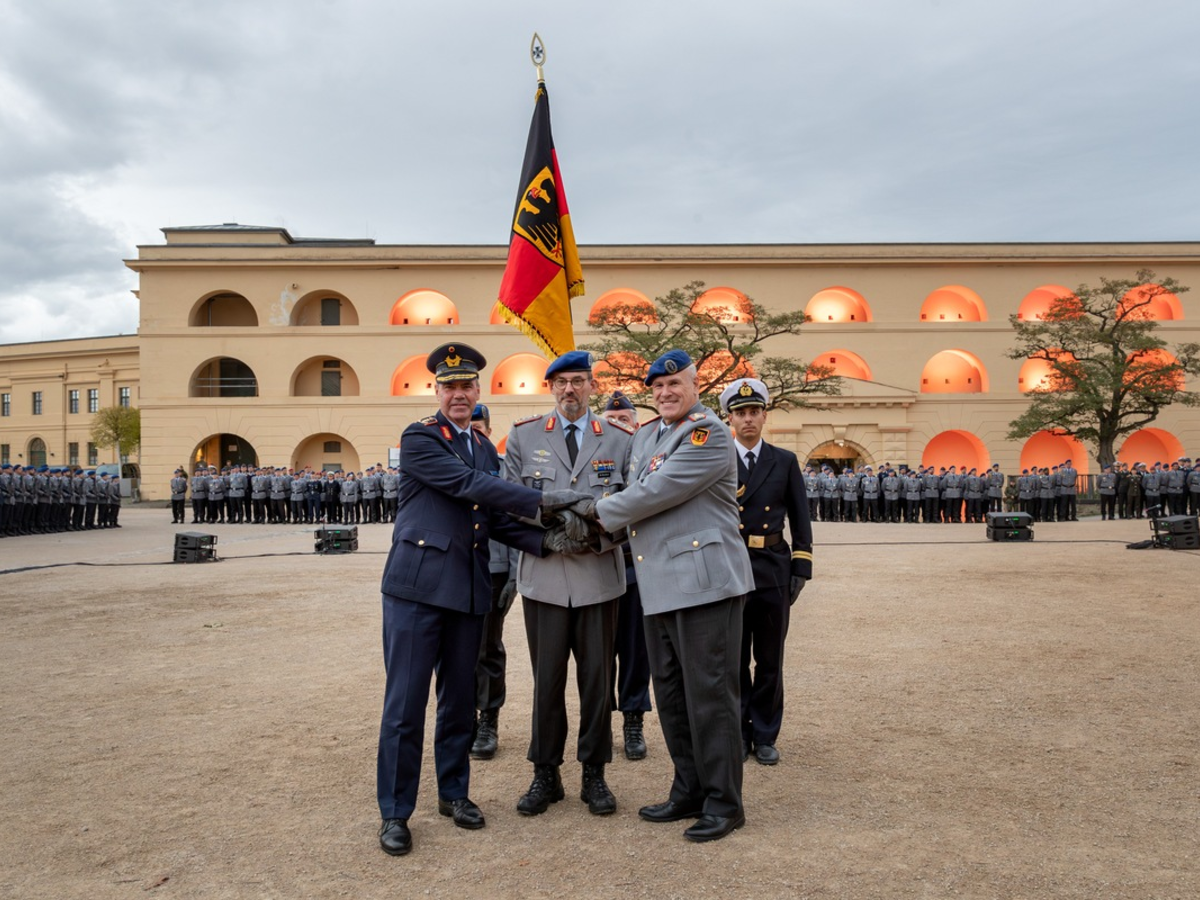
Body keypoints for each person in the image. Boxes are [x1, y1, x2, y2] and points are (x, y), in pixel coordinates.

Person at [375, 342, 589, 857]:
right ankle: (396, 812)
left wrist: (545, 541)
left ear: (478, 391)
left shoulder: (482, 447)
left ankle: (454, 794)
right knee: (405, 706)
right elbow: (467, 485)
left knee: (459, 704)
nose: (458, 394)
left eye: (466, 386)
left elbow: (492, 520)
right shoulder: (420, 438)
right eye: (449, 386)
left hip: (468, 592)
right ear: (436, 391)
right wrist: (543, 501)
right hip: (418, 590)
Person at [572, 349, 755, 843]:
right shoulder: (648, 435)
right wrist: (601, 530)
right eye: (657, 387)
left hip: (704, 584)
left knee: (710, 696)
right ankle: (689, 789)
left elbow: (655, 492)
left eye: (675, 384)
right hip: (658, 585)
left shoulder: (707, 433)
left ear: (695, 386)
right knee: (672, 696)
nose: (666, 393)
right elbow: (637, 499)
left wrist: (591, 513)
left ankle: (724, 803)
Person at [503, 351, 635, 817]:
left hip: (598, 575)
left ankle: (594, 773)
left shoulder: (620, 438)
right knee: (547, 682)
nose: (569, 390)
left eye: (578, 381)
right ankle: (546, 773)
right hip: (544, 576)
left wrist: (598, 533)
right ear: (551, 388)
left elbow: (635, 502)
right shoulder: (523, 435)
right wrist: (550, 523)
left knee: (598, 681)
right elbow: (509, 499)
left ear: (592, 386)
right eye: (561, 382)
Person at [719, 378, 813, 767]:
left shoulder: (784, 461)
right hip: (731, 568)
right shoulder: (717, 460)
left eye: (754, 412)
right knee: (735, 659)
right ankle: (740, 732)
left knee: (770, 659)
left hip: (773, 567)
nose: (748, 419)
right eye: (740, 413)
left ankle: (766, 734)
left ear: (764, 416)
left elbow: (801, 517)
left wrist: (801, 566)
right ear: (730, 419)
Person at [602, 390, 653, 761]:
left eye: (624, 420)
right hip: (601, 566)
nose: (619, 425)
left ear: (635, 425)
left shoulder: (650, 458)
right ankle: (601, 719)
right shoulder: (593, 457)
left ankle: (633, 719)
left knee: (636, 651)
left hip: (637, 567)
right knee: (599, 652)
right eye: (612, 420)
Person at [467, 404, 516, 761]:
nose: (474, 433)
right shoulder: (445, 463)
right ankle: (463, 718)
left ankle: (488, 719)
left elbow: (515, 521)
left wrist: (515, 572)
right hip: (455, 567)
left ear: (488, 430)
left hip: (493, 568)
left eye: (479, 428)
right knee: (454, 649)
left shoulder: (503, 468)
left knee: (486, 646)